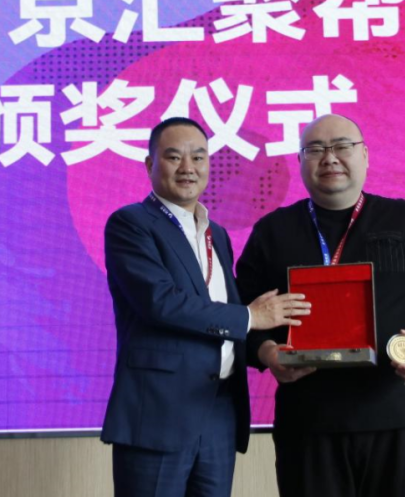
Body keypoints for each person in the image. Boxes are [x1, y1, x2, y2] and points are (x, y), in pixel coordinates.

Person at [236, 114, 405, 497]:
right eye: (315, 149)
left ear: (365, 155)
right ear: (299, 161)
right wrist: (265, 352)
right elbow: (238, 315)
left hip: (395, 414)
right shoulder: (273, 231)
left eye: (342, 146)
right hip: (308, 420)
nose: (329, 157)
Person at [101, 117, 312, 497]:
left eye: (198, 157)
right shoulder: (131, 224)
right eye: (174, 157)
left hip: (219, 408)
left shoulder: (219, 236)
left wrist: (267, 349)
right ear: (150, 165)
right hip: (160, 411)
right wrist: (251, 316)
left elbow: (220, 316)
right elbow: (161, 303)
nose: (188, 168)